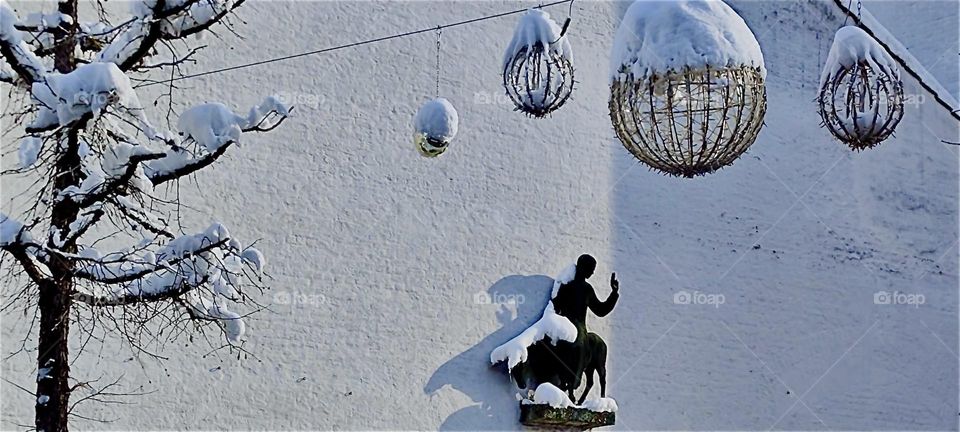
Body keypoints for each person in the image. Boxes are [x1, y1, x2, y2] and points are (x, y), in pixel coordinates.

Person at [551, 254, 619, 401]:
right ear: (583, 267)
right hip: (565, 325)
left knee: (581, 346)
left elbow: (600, 310)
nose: (592, 273)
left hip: (579, 327)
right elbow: (556, 305)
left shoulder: (587, 289)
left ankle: (573, 384)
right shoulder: (567, 286)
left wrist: (614, 294)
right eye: (591, 269)